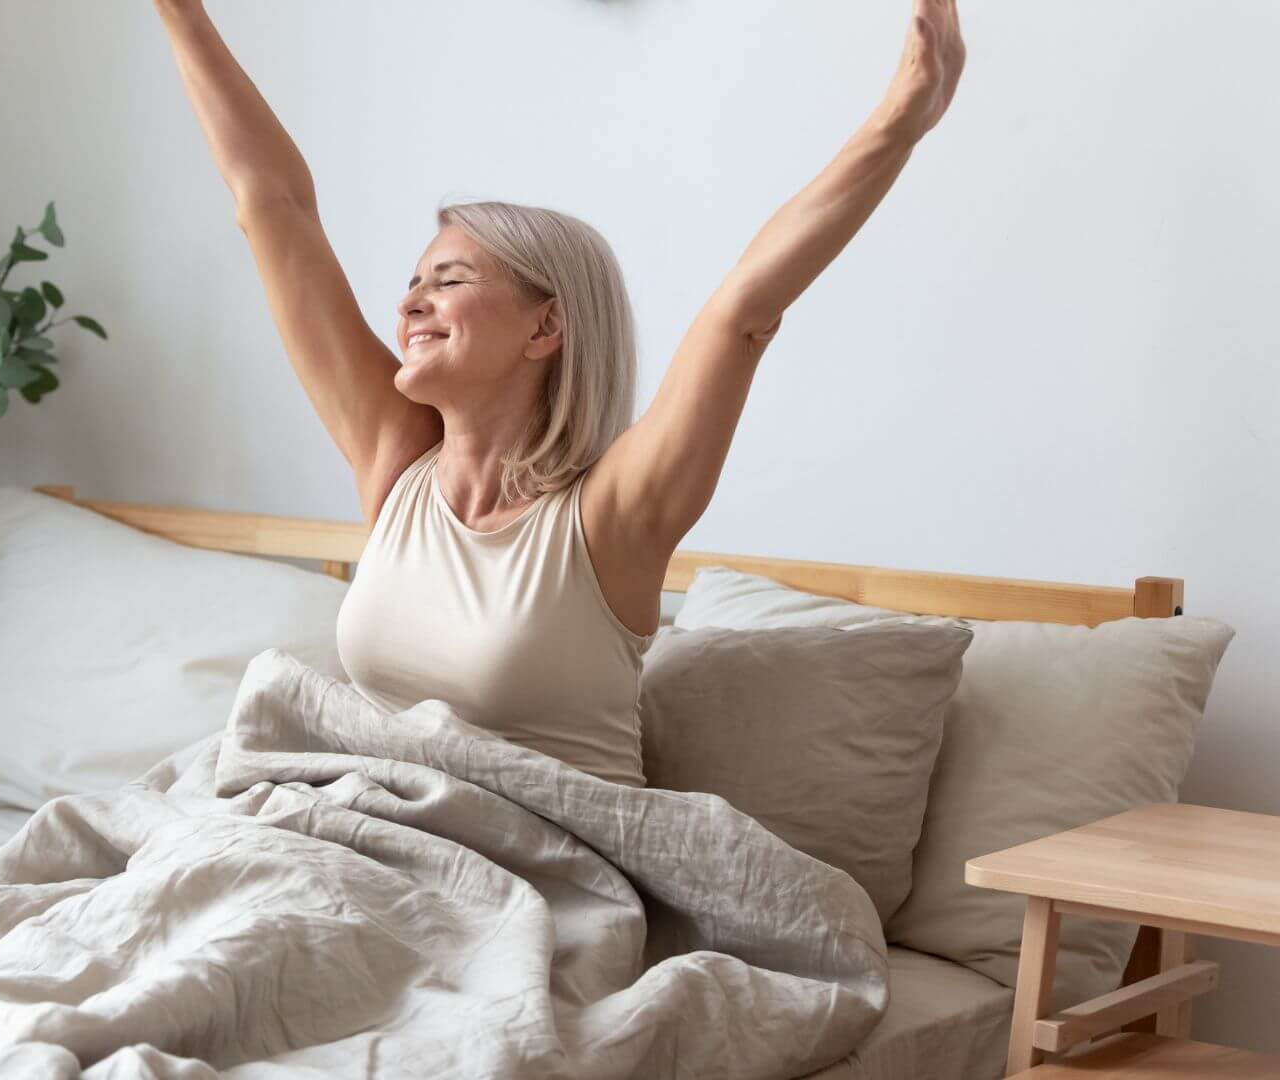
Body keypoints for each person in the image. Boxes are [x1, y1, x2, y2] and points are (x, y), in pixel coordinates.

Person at [154, 0, 966, 786]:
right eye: (412, 282)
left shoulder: (612, 517)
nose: (408, 304)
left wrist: (899, 120)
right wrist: (179, 11)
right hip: (368, 834)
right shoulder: (394, 464)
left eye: (450, 280)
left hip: (546, 867)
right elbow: (276, 207)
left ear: (546, 329)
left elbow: (743, 314)